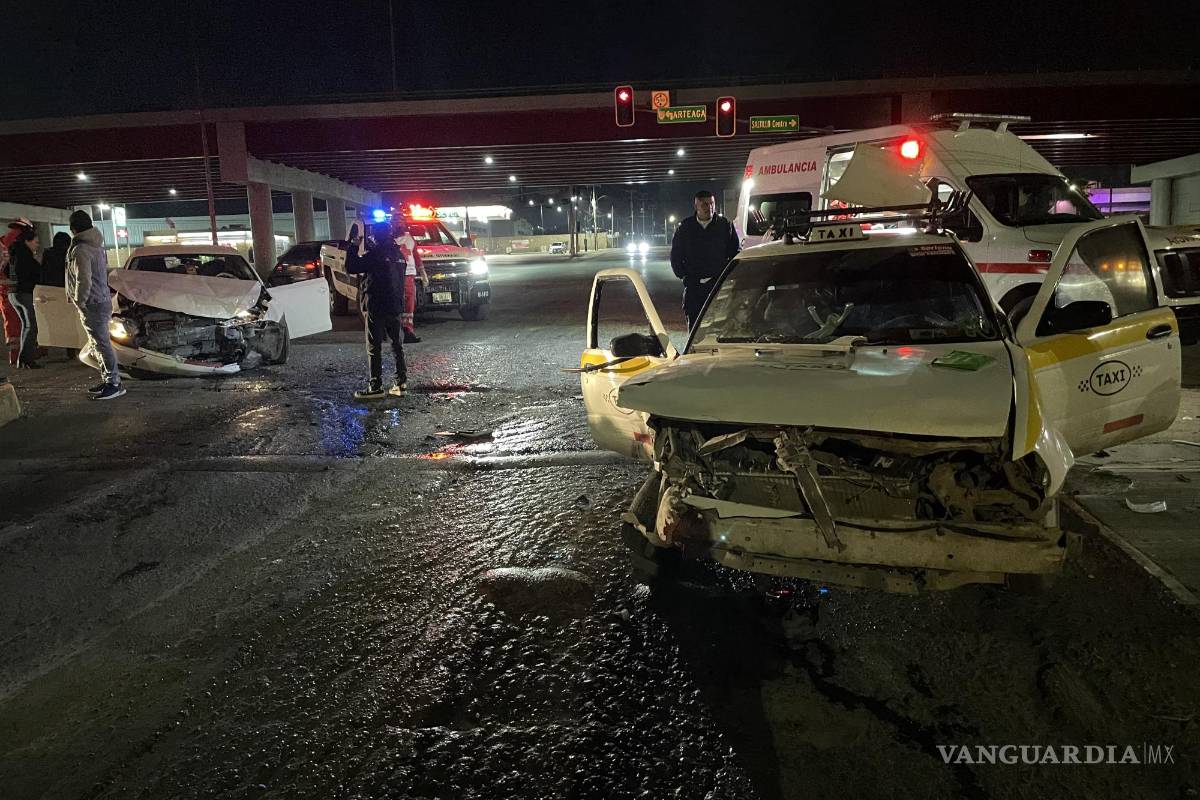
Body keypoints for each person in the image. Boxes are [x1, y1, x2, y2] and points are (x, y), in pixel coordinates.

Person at [66, 210, 124, 400]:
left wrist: (79, 300)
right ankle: (109, 380)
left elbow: (84, 279)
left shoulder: (81, 249)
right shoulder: (96, 245)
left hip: (92, 302)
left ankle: (114, 383)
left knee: (101, 343)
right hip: (100, 299)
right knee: (99, 343)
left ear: (73, 229)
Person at [346, 220, 407, 399]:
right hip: (395, 305)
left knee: (374, 346)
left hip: (377, 305)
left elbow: (351, 266)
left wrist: (353, 244)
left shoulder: (375, 254)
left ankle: (375, 386)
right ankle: (401, 382)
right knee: (397, 344)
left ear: (376, 236)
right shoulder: (399, 254)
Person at [670, 190, 741, 329]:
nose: (709, 207)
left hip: (718, 284)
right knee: (695, 325)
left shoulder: (724, 225)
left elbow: (734, 253)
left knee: (720, 324)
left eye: (712, 203)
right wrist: (685, 276)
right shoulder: (685, 228)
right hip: (694, 287)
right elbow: (676, 256)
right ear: (696, 206)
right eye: (704, 204)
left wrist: (727, 276)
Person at [7, 226, 42, 368]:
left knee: (26, 326)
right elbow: (35, 272)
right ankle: (27, 359)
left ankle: (22, 359)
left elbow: (6, 271)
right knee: (31, 326)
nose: (37, 244)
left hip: (13, 294)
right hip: (24, 293)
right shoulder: (25, 256)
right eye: (35, 241)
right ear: (27, 241)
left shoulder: (14, 255)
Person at [1, 218, 33, 366]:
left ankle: (14, 355)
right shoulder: (19, 241)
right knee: (25, 321)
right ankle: (20, 354)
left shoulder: (3, 241)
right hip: (16, 286)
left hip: (4, 289)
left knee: (10, 322)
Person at [393, 219, 429, 343]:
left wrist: (423, 273)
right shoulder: (388, 239)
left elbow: (416, 257)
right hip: (395, 275)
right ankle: (394, 332)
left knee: (409, 305)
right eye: (396, 221)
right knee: (396, 304)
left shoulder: (410, 238)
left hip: (409, 275)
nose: (399, 224)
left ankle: (408, 331)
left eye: (401, 221)